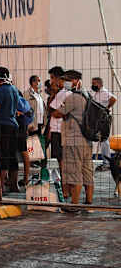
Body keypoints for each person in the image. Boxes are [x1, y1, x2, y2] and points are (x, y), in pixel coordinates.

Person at [53, 70, 93, 205]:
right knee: (87, 171)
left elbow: (57, 113)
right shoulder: (88, 95)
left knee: (74, 172)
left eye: (66, 80)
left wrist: (59, 111)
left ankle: (74, 204)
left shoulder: (72, 97)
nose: (64, 83)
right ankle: (89, 201)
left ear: (75, 81)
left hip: (73, 140)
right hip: (87, 140)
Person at [0, 67, 20, 193]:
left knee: (2, 155)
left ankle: (1, 185)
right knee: (12, 155)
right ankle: (14, 185)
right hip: (14, 124)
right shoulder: (14, 89)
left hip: (2, 125)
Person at [90, 77, 116, 167]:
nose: (92, 85)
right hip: (98, 119)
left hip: (103, 119)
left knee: (104, 140)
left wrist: (106, 108)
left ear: (99, 84)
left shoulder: (103, 92)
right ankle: (106, 161)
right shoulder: (97, 93)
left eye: (94, 84)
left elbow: (113, 99)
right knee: (101, 139)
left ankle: (107, 162)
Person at [47, 66, 67, 173]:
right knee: (61, 159)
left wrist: (53, 94)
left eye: (52, 78)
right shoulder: (61, 93)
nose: (51, 81)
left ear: (57, 78)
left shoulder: (62, 93)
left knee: (62, 160)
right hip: (57, 130)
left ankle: (65, 182)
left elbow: (51, 110)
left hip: (60, 131)